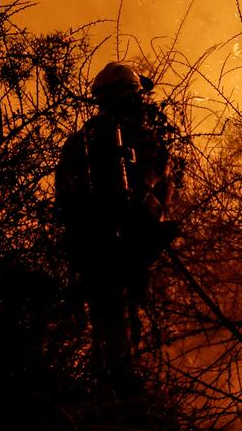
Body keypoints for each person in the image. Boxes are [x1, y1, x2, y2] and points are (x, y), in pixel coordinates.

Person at [56, 61, 182, 397]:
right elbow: (161, 191)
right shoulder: (148, 140)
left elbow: (65, 201)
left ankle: (111, 394)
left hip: (97, 251)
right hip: (131, 250)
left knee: (109, 326)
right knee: (134, 323)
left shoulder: (79, 142)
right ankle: (130, 400)